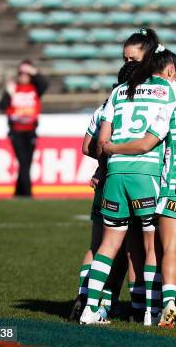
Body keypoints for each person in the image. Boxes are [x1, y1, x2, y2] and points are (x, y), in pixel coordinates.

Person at [103, 66, 176, 328]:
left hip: (174, 189)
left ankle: (169, 302)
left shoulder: (172, 108)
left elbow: (146, 143)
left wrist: (115, 148)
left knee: (170, 249)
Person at [80, 39, 176, 325]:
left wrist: (110, 151)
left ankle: (89, 309)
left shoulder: (119, 91)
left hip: (115, 174)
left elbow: (102, 141)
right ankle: (149, 313)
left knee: (108, 245)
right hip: (146, 174)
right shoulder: (168, 90)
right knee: (151, 246)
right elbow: (148, 143)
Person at [68, 61, 138, 322]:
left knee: (98, 244)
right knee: (133, 247)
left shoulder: (105, 106)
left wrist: (102, 162)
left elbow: (87, 146)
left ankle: (85, 296)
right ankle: (135, 305)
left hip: (107, 181)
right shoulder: (136, 103)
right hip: (134, 179)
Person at [0, 60, 48, 197]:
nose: (23, 77)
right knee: (23, 162)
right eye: (21, 74)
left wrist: (33, 71)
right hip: (16, 132)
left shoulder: (34, 88)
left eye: (27, 75)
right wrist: (8, 93)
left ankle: (18, 192)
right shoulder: (13, 88)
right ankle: (27, 192)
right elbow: (1, 106)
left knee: (26, 163)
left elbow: (45, 83)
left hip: (30, 131)